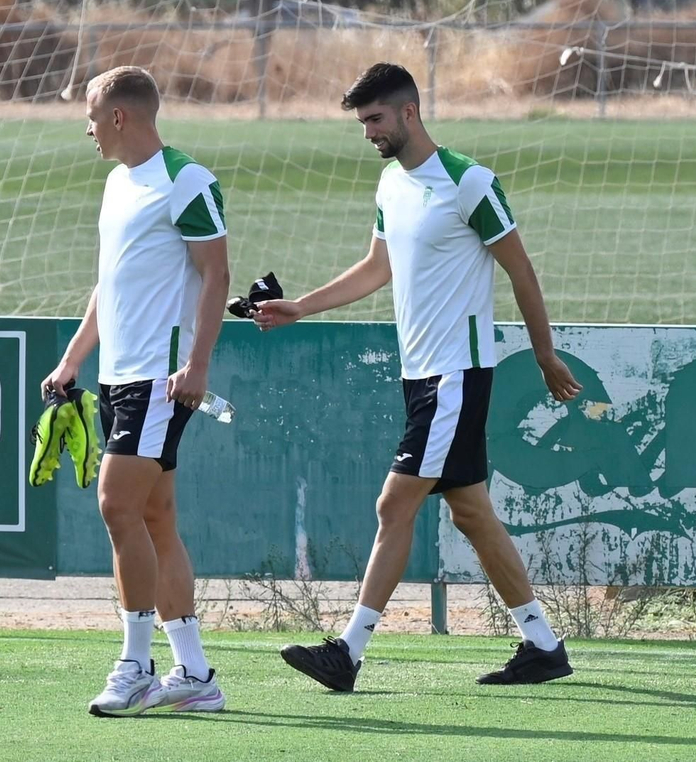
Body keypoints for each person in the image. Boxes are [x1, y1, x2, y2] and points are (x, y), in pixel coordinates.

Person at [256, 62, 583, 690]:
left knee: (393, 503)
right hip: (423, 376)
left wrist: (544, 354)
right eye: (362, 122)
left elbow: (522, 272)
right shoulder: (390, 183)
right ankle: (543, 644)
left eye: (375, 119)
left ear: (409, 112)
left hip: (455, 377)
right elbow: (375, 268)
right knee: (472, 513)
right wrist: (299, 306)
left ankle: (347, 652)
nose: (368, 132)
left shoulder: (469, 182)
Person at [43, 65, 231, 716]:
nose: (88, 128)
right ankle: (196, 674)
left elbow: (216, 276)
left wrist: (198, 367)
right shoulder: (117, 184)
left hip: (161, 376)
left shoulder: (186, 181)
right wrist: (72, 362)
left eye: (92, 116)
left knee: (116, 506)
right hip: (119, 376)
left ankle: (136, 665)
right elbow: (110, 283)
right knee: (154, 518)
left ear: (119, 117)